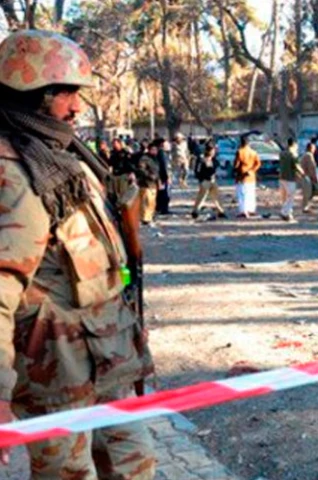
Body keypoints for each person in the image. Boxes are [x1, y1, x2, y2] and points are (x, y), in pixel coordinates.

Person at [0, 30, 155, 478]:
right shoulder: (13, 170)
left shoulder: (64, 155)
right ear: (33, 94)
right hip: (55, 372)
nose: (77, 106)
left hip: (108, 355)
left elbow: (108, 258)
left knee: (136, 463)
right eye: (66, 92)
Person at [192, 142, 227, 219]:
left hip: (213, 180)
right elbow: (197, 171)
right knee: (202, 197)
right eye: (212, 150)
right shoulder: (202, 159)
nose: (213, 152)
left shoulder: (214, 160)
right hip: (205, 181)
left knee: (216, 196)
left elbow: (217, 168)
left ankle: (221, 211)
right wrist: (201, 180)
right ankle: (195, 211)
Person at [233, 135, 261, 218]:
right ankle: (251, 210)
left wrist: (236, 169)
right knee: (251, 194)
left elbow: (236, 165)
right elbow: (258, 163)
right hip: (251, 177)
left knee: (242, 194)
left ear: (241, 142)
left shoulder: (240, 152)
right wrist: (252, 170)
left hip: (242, 176)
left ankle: (244, 211)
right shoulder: (253, 152)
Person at [136, 143, 161, 225]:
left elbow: (157, 171)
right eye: (153, 149)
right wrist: (149, 176)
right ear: (149, 150)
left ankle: (150, 216)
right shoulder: (144, 158)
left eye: (156, 150)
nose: (155, 151)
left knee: (152, 201)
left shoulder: (155, 159)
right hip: (145, 182)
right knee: (146, 201)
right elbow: (141, 169)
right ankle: (145, 218)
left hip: (153, 182)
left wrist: (158, 180)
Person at [279, 138, 301, 221]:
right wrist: (303, 174)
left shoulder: (282, 153)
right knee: (290, 197)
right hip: (290, 178)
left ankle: (288, 213)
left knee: (284, 197)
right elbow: (296, 166)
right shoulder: (293, 154)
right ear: (294, 144)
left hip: (282, 177)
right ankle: (285, 212)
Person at [300, 142, 318, 213]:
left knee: (309, 192)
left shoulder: (305, 155)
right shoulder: (309, 155)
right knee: (308, 192)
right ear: (311, 148)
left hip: (305, 176)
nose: (314, 149)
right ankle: (305, 207)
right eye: (314, 148)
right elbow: (312, 167)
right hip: (307, 176)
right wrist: (314, 177)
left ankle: (306, 206)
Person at [154, 138, 172, 215]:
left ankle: (160, 208)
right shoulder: (161, 153)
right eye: (166, 143)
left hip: (161, 176)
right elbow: (163, 166)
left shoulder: (161, 152)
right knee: (165, 193)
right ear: (162, 144)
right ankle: (164, 209)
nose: (168, 145)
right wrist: (167, 177)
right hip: (163, 177)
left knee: (161, 193)